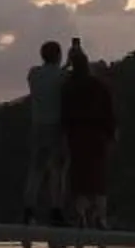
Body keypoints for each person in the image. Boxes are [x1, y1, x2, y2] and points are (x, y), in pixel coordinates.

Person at [60, 42, 117, 231]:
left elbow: (65, 114)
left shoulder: (69, 87)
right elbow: (109, 112)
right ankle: (101, 217)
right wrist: (111, 134)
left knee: (79, 178)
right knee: (98, 178)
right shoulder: (99, 86)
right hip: (98, 136)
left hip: (76, 136)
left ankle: (81, 215)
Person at [22, 39, 68, 229]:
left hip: (37, 126)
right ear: (58, 55)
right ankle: (55, 211)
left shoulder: (33, 74)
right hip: (56, 127)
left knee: (36, 171)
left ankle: (28, 211)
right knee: (56, 172)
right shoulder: (63, 76)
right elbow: (61, 79)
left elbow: (50, 77)